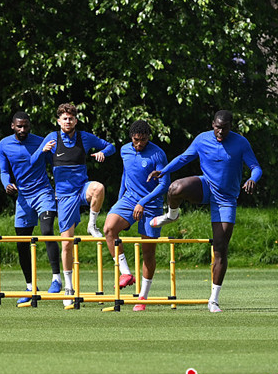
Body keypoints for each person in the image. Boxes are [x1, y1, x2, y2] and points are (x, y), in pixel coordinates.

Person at [148, 110, 262, 313]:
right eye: (217, 127)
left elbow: (256, 167)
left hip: (226, 199)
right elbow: (184, 158)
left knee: (220, 248)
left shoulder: (241, 143)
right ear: (212, 124)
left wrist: (253, 178)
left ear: (231, 126)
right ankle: (172, 215)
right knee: (175, 188)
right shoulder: (202, 139)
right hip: (206, 186)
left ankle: (213, 300)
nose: (220, 132)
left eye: (224, 128)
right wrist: (164, 171)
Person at [34, 103, 115, 304]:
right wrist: (42, 150)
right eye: (64, 118)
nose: (68, 121)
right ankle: (69, 286)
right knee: (67, 243)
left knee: (99, 188)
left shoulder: (84, 137)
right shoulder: (52, 138)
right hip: (64, 196)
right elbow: (32, 161)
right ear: (58, 121)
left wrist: (103, 153)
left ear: (76, 121)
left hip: (82, 189)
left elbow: (111, 146)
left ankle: (92, 225)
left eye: (71, 118)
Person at [103, 121, 170, 311]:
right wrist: (119, 202)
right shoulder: (124, 150)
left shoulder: (158, 154)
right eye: (136, 140)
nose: (139, 143)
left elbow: (164, 184)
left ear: (148, 137)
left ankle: (143, 297)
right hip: (129, 199)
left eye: (143, 140)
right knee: (109, 228)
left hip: (152, 204)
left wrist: (143, 202)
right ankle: (126, 273)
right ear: (131, 137)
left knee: (148, 253)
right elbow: (125, 175)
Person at [0, 111, 61, 303]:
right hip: (23, 197)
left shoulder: (41, 142)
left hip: (43, 193)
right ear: (13, 126)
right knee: (22, 243)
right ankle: (30, 286)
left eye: (26, 126)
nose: (23, 129)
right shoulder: (4, 144)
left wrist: (59, 189)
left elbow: (55, 166)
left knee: (47, 230)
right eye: (19, 126)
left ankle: (56, 279)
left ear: (30, 126)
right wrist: (6, 184)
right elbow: (4, 171)